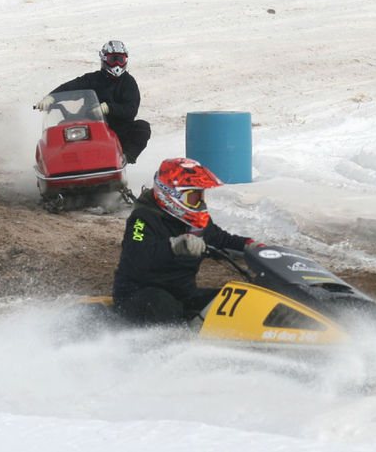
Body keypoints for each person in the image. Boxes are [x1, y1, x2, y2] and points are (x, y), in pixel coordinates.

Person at [112, 157, 264, 326]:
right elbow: (138, 253)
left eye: (201, 195)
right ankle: (173, 348)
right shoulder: (142, 219)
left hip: (183, 294)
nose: (199, 202)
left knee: (234, 302)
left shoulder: (197, 222)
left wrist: (250, 245)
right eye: (193, 196)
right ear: (172, 194)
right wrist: (175, 246)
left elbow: (221, 239)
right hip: (139, 295)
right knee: (164, 306)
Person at [35, 40, 150, 164]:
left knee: (142, 127)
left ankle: (124, 159)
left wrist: (108, 108)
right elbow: (73, 86)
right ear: (104, 59)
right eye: (113, 60)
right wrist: (52, 97)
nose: (117, 64)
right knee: (62, 128)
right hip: (91, 126)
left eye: (120, 60)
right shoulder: (93, 79)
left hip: (118, 129)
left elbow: (131, 109)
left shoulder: (128, 82)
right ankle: (55, 163)